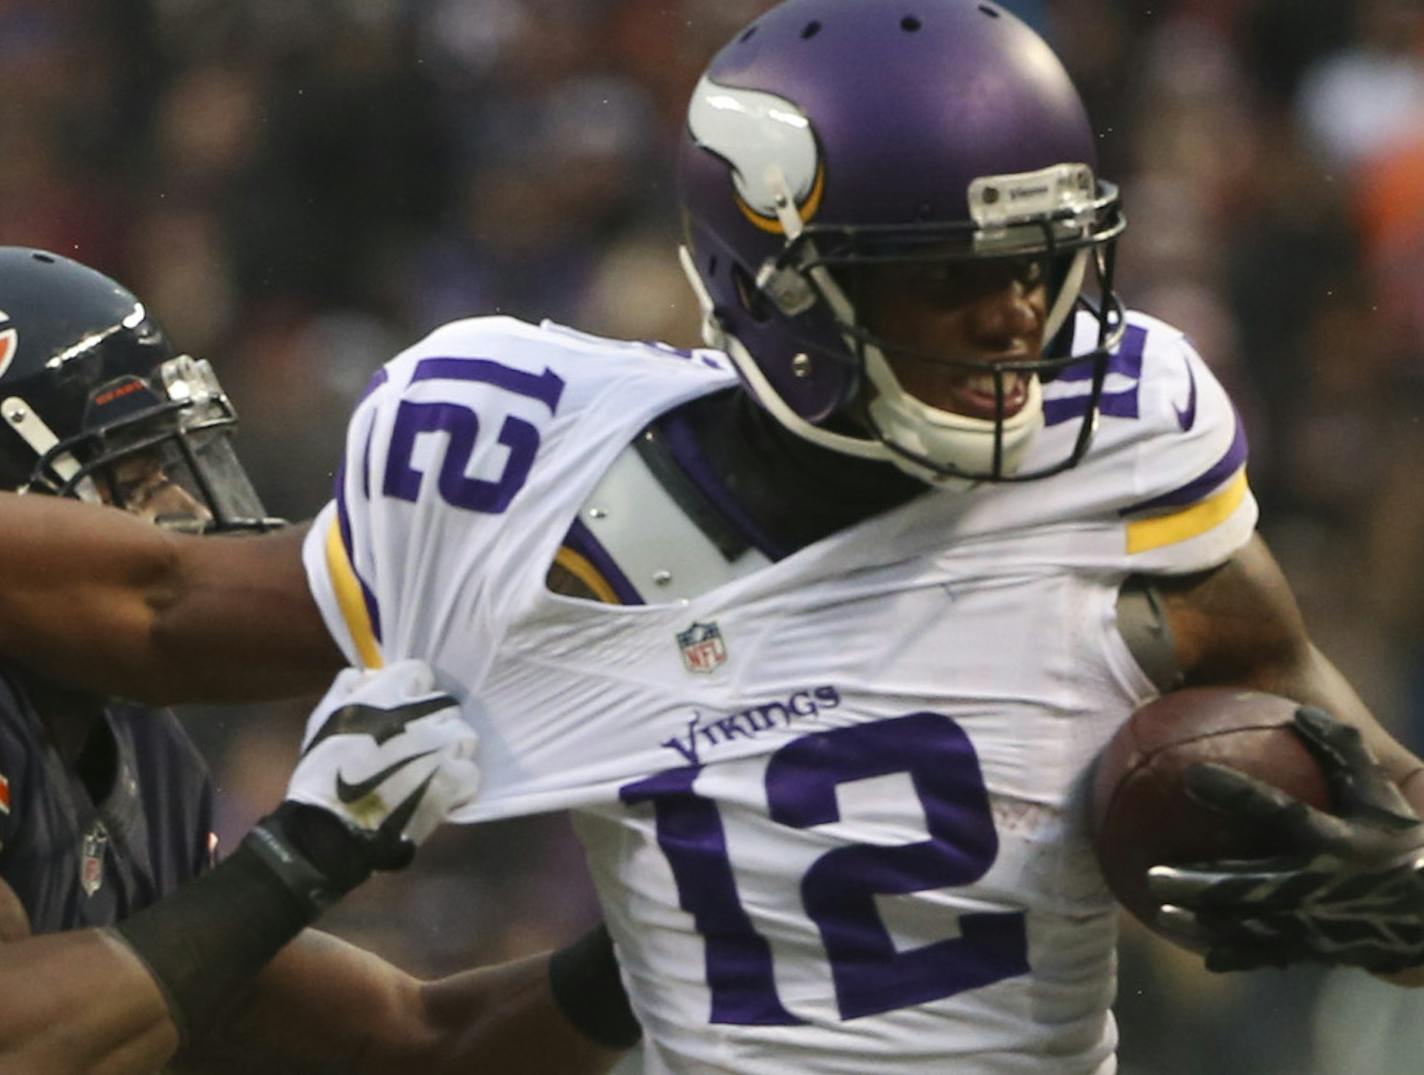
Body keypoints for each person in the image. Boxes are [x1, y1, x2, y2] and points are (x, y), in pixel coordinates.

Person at [0, 1, 1422, 1071]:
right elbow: (166, 606)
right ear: (781, 285)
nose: (1018, 325)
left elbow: (1356, 760)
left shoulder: (1124, 438)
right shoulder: (520, 471)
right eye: (951, 276)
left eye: (1042, 268)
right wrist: (302, 852)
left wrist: (1403, 873)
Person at [0, 247, 638, 1074]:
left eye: (169, 462)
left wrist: (673, 932)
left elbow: (410, 1040)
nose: (186, 506)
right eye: (131, 475)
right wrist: (300, 856)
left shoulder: (131, 746)